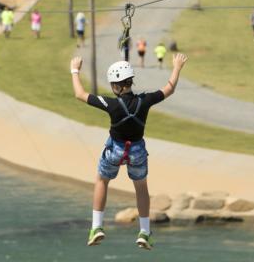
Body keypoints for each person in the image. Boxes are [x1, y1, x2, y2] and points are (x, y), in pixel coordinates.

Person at [69, 53, 189, 250]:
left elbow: (80, 94)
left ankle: (97, 227)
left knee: (102, 181)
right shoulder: (145, 100)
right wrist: (177, 67)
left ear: (116, 86)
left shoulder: (112, 104)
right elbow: (169, 89)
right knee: (141, 187)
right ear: (130, 81)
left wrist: (75, 70)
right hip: (137, 151)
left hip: (114, 150)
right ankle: (144, 231)